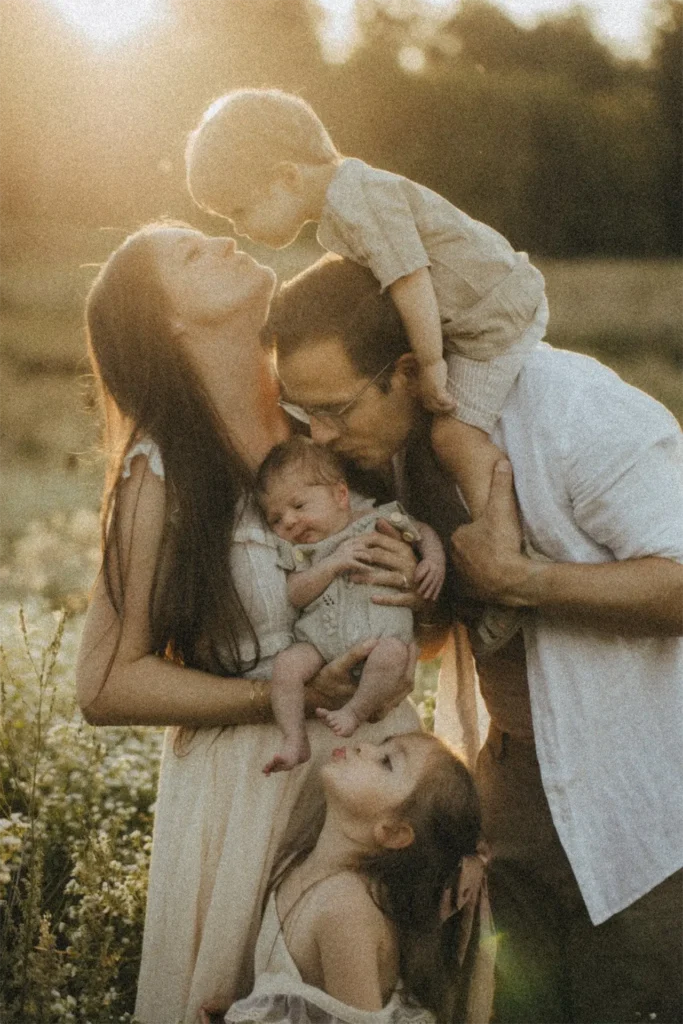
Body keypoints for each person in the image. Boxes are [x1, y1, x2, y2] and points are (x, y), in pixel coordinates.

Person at [264, 253, 683, 1024]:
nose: (319, 436)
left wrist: (522, 580)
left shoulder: (572, 410)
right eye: (302, 417)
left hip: (648, 804)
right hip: (514, 795)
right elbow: (448, 636)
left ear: (402, 370)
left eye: (335, 408)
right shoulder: (390, 450)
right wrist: (407, 608)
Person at [75, 225, 423, 1024]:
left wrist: (409, 586)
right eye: (194, 255)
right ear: (167, 323)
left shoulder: (326, 432)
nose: (225, 242)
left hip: (374, 775)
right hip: (252, 792)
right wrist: (272, 698)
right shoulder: (162, 471)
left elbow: (404, 630)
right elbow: (102, 684)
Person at [185, 88, 547, 533]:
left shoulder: (360, 203)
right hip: (481, 304)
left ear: (288, 177)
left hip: (490, 315)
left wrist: (432, 364)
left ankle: (501, 546)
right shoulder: (348, 201)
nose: (240, 229)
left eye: (240, 211)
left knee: (454, 435)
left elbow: (409, 279)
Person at [215, 734, 493, 1024]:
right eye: (381, 745)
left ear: (394, 832)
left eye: (386, 762)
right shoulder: (296, 862)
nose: (365, 747)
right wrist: (255, 1009)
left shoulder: (345, 910)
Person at [255, 438, 446, 770]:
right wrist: (331, 564)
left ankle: (355, 711)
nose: (288, 522)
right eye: (276, 519)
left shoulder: (377, 519)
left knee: (393, 655)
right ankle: (294, 738)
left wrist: (433, 561)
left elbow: (424, 530)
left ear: (340, 495)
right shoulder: (302, 552)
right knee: (286, 667)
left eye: (298, 506)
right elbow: (295, 594)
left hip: (379, 638)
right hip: (321, 641)